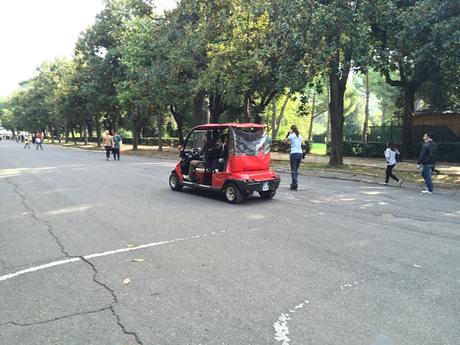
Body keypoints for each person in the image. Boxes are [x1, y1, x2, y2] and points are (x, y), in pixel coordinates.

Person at [283, 125, 304, 190]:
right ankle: (294, 182)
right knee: (296, 169)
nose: (290, 130)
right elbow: (303, 144)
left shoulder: (291, 136)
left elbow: (285, 142)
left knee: (293, 169)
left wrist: (288, 134)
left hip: (294, 153)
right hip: (300, 153)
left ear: (292, 130)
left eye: (290, 129)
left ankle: (294, 183)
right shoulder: (300, 136)